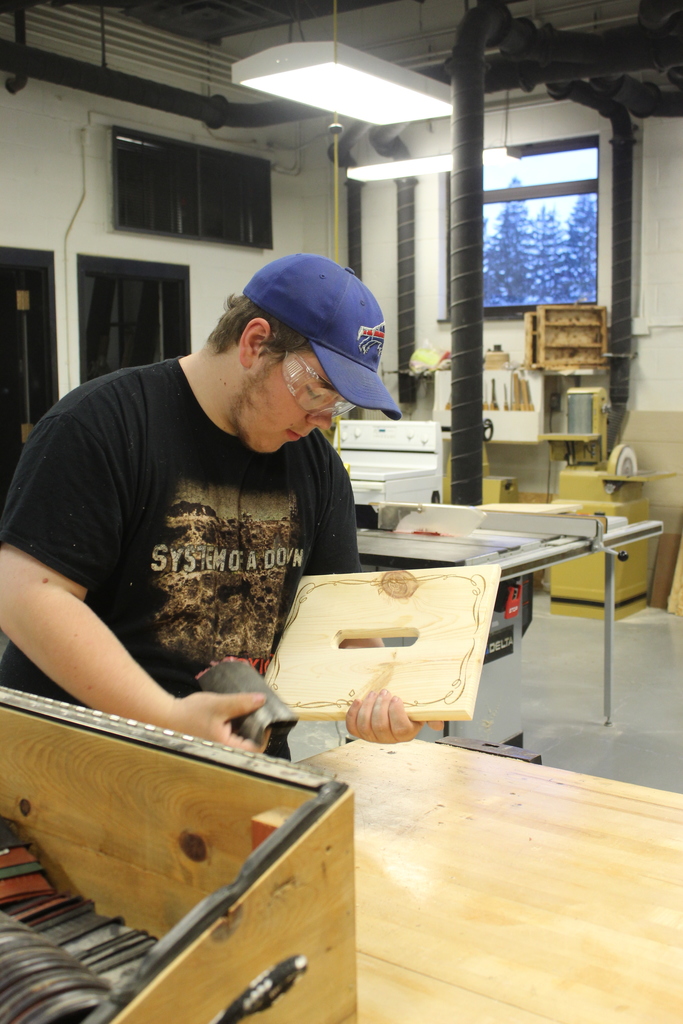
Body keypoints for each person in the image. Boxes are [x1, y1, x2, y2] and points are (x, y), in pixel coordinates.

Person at [0, 253, 442, 754]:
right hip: (83, 760)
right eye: (317, 389)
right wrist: (166, 717)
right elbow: (26, 596)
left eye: (338, 405)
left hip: (243, 760)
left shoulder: (315, 464)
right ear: (255, 343)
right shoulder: (102, 426)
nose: (323, 419)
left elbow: (337, 613)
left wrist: (379, 695)